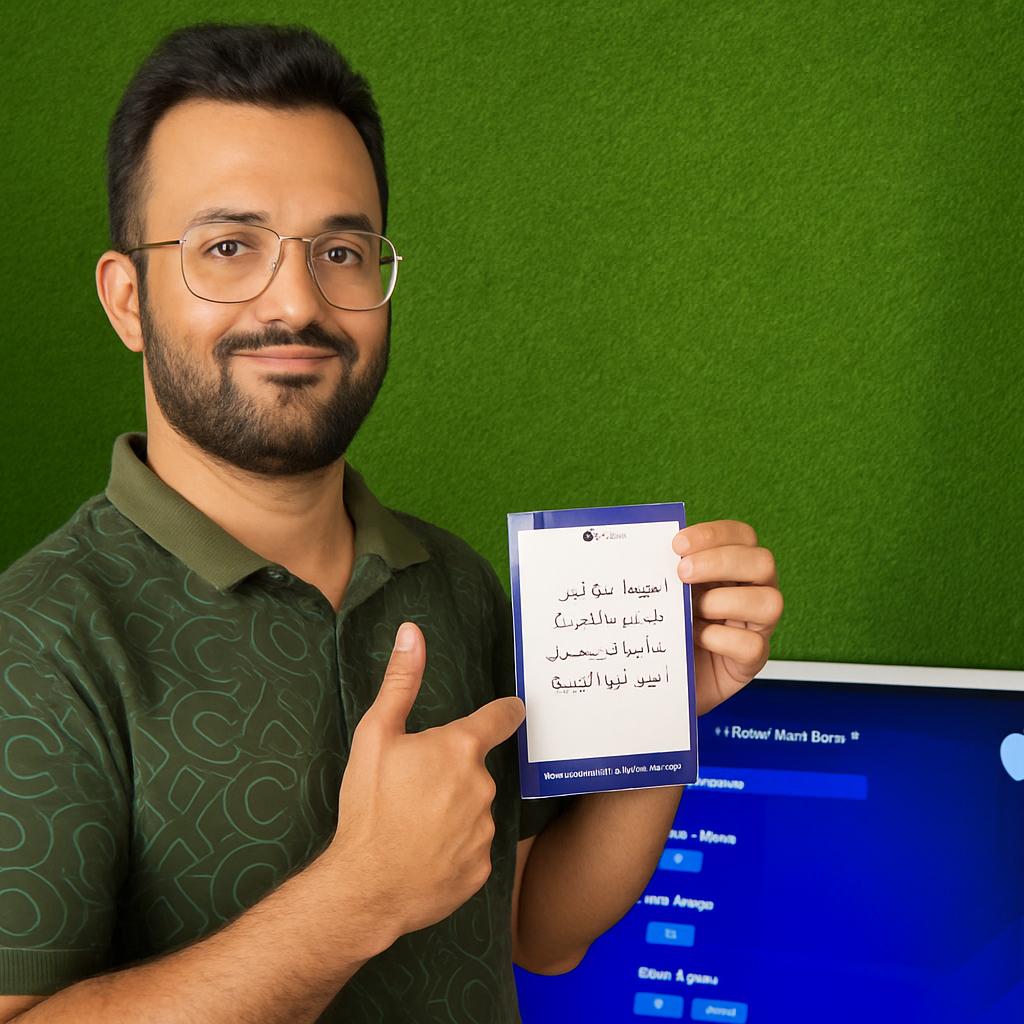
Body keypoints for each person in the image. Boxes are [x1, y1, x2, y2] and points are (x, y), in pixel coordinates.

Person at [0, 21, 783, 1024]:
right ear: (128, 301)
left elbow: (536, 927)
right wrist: (355, 898)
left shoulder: (454, 584)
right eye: (228, 247)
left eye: (341, 249)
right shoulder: (39, 638)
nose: (295, 299)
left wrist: (666, 703)